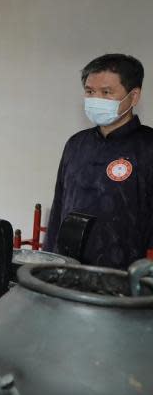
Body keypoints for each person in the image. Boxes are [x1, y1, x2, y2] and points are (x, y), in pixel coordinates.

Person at [44, 54, 152, 268]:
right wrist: (47, 260)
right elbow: (58, 209)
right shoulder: (76, 144)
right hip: (67, 270)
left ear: (134, 96)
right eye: (90, 91)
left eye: (107, 92)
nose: (96, 99)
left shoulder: (147, 148)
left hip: (123, 280)